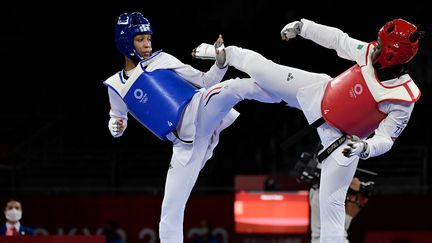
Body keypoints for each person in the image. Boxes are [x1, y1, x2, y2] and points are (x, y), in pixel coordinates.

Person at [192, 18, 423, 242]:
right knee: (263, 72)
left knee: (331, 213)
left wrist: (365, 148)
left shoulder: (403, 97)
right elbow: (338, 40)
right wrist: (304, 27)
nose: (376, 45)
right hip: (319, 93)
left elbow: (387, 139)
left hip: (344, 144)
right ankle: (227, 54)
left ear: (392, 53)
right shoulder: (369, 53)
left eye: (381, 44)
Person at [103, 12, 281, 243]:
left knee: (234, 88)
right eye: (140, 39)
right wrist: (116, 126)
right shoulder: (115, 85)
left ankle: (290, 93)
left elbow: (206, 82)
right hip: (184, 146)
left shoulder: (162, 59)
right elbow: (117, 119)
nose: (147, 43)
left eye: (148, 38)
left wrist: (219, 63)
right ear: (126, 41)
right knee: (170, 212)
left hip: (199, 111)